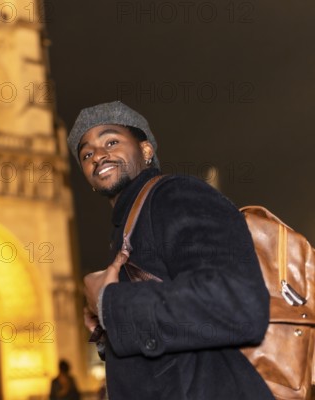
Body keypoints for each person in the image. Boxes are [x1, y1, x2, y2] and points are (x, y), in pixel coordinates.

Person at [69, 101, 274, 399]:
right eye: (86, 154)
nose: (98, 155)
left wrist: (110, 303)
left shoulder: (174, 195)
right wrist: (107, 326)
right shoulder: (127, 230)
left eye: (111, 141)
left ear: (147, 151)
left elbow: (238, 301)